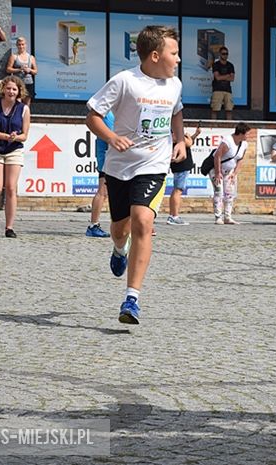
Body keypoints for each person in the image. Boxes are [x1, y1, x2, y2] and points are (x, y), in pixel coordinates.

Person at [86, 25, 186, 325]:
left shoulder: (175, 85)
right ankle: (119, 250)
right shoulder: (124, 81)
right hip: (119, 167)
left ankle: (132, 299)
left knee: (143, 220)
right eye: (174, 53)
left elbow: (177, 112)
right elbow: (92, 114)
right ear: (155, 56)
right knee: (120, 228)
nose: (178, 59)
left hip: (153, 166)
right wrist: (111, 138)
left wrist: (179, 139)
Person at [0, 76, 30, 238]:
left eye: (14, 89)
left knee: (11, 188)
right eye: (9, 88)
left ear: (19, 91)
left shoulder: (23, 108)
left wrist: (14, 137)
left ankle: (9, 227)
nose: (11, 91)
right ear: (4, 89)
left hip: (14, 149)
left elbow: (24, 135)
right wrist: (4, 136)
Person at [210, 122, 250, 225]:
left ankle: (228, 216)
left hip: (229, 172)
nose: (248, 136)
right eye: (247, 133)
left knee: (229, 194)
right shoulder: (227, 141)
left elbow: (240, 159)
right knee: (219, 192)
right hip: (217, 171)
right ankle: (218, 217)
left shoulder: (244, 144)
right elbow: (217, 156)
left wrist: (235, 172)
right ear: (241, 133)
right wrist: (218, 172)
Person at [86, 111, 114, 238]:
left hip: (111, 157)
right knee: (102, 191)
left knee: (107, 192)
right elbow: (111, 135)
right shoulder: (108, 114)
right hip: (108, 156)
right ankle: (93, 225)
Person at [166, 123, 201, 226]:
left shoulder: (178, 134)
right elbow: (188, 143)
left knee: (178, 190)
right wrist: (188, 137)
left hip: (183, 165)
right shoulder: (174, 133)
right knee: (178, 190)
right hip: (181, 165)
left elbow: (189, 143)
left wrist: (195, 134)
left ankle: (173, 215)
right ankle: (174, 216)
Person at [6, 37, 37, 107]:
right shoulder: (14, 56)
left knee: (27, 104)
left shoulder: (31, 57)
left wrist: (30, 70)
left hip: (29, 83)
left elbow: (35, 71)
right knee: (17, 102)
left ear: (26, 45)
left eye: (23, 44)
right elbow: (8, 69)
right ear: (17, 45)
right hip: (18, 82)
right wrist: (19, 69)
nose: (21, 46)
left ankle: (26, 117)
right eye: (19, 45)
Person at [210, 47, 235, 120]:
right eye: (223, 54)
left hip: (228, 90)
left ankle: (229, 126)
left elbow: (232, 78)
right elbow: (217, 77)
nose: (225, 55)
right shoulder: (216, 65)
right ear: (220, 54)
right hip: (217, 89)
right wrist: (227, 75)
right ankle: (213, 126)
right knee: (215, 109)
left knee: (229, 109)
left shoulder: (230, 65)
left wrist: (222, 77)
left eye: (227, 54)